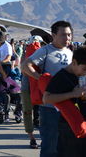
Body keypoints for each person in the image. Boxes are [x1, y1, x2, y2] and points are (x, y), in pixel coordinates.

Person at [22, 20, 73, 157]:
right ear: (53, 35)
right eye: (63, 35)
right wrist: (40, 78)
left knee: (64, 145)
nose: (67, 38)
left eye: (69, 35)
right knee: (50, 147)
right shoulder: (45, 51)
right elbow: (26, 65)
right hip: (49, 108)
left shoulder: (70, 52)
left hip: (67, 105)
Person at [43, 46, 86, 157]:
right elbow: (46, 98)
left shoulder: (82, 75)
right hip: (70, 129)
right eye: (84, 69)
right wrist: (73, 94)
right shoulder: (61, 77)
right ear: (74, 62)